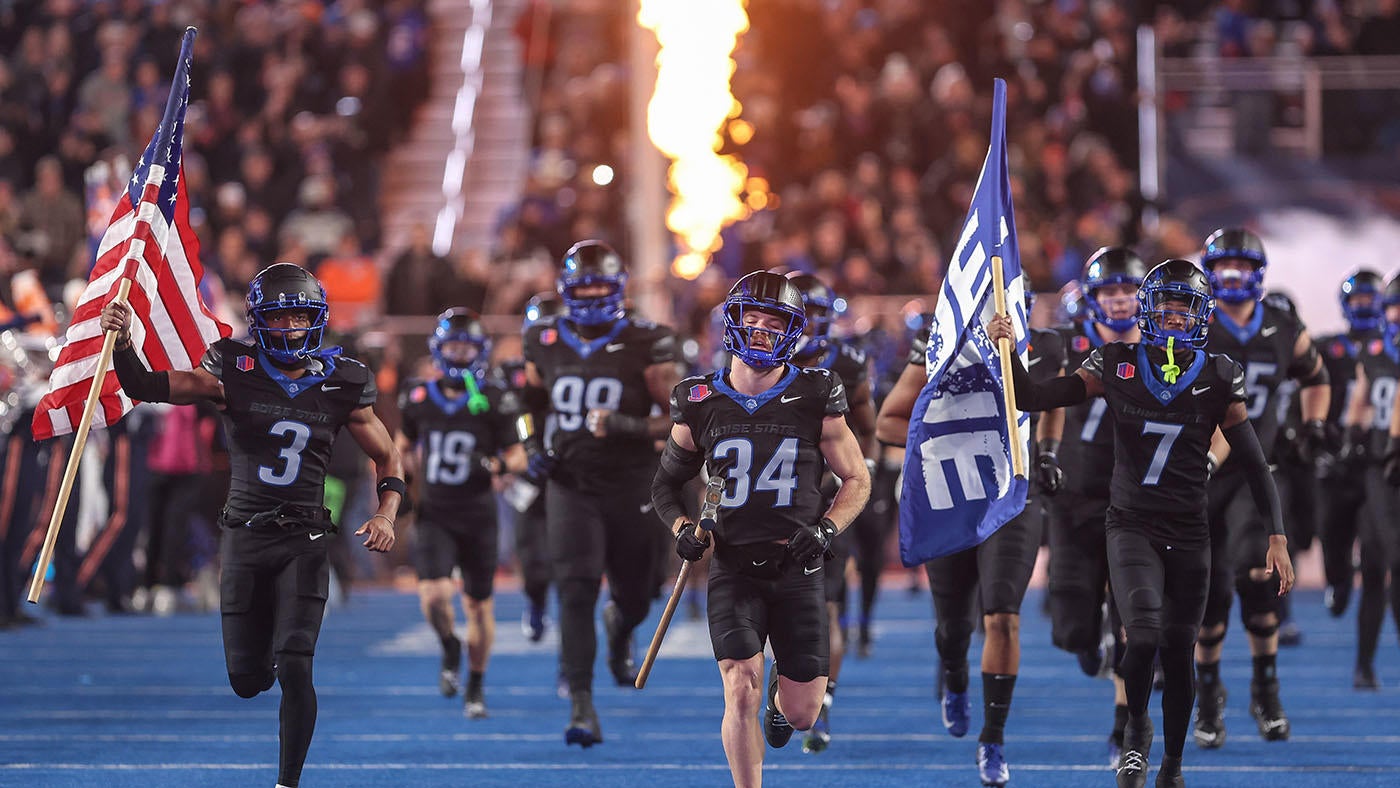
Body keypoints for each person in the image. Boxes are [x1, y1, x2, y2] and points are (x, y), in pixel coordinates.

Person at [988, 258, 1295, 788]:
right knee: (1143, 634)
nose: (1175, 319)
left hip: (1188, 532)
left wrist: (1277, 535)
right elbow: (1038, 398)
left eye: (1185, 310)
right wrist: (1009, 349)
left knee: (1179, 650)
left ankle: (1172, 765)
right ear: (1150, 311)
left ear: (1202, 315)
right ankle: (1134, 735)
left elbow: (1252, 460)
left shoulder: (1220, 374)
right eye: (1167, 308)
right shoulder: (1115, 362)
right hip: (1129, 523)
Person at [102, 262, 403, 788]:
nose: (291, 328)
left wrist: (386, 513)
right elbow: (145, 385)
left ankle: (287, 782)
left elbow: (388, 455)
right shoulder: (233, 370)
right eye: (281, 317)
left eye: (300, 317)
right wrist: (125, 341)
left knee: (296, 665)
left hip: (307, 538)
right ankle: (263, 654)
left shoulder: (343, 380)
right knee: (246, 679)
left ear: (318, 320)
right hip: (243, 534)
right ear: (259, 320)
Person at [651, 271, 870, 788]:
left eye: (776, 324)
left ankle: (784, 699)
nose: (763, 332)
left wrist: (826, 530)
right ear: (732, 322)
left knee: (802, 714)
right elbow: (665, 485)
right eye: (753, 319)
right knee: (739, 686)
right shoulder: (699, 397)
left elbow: (857, 479)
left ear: (794, 332)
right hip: (732, 565)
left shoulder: (818, 390)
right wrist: (682, 527)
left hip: (798, 565)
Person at [875, 297, 1064, 788]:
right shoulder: (941, 346)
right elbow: (888, 421)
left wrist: (1046, 450)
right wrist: (943, 436)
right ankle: (955, 675)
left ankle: (993, 738)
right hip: (954, 494)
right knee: (953, 628)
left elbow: (1050, 403)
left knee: (1002, 616)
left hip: (1015, 496)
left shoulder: (1043, 345)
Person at [519, 240, 682, 747]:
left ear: (618, 290)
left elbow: (682, 419)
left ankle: (621, 625)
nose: (590, 297)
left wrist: (625, 424)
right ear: (566, 291)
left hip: (634, 483)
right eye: (582, 288)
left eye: (599, 288)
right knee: (575, 587)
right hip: (573, 484)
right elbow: (529, 404)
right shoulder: (542, 339)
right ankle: (582, 705)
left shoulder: (648, 341)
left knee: (639, 594)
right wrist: (530, 445)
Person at [1194, 228, 1328, 749]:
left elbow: (1316, 377)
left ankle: (1265, 691)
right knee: (1205, 593)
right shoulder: (1194, 326)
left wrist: (1315, 424)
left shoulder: (1282, 326)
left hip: (1258, 470)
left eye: (1241, 267)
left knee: (1257, 574)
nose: (1232, 277)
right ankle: (1208, 699)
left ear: (1258, 274)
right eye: (1222, 267)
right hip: (1199, 470)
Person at [396, 308, 526, 717]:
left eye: (466, 347)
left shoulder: (494, 398)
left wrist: (496, 467)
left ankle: (475, 683)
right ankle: (450, 645)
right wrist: (401, 485)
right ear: (438, 349)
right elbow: (402, 446)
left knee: (478, 606)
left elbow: (520, 454)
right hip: (435, 511)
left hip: (477, 514)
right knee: (434, 597)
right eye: (452, 346)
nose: (458, 354)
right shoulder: (417, 396)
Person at [1050, 247, 1147, 766]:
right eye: (1110, 292)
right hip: (1073, 496)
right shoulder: (1064, 345)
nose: (1119, 300)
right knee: (1072, 630)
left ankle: (1124, 728)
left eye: (1128, 291)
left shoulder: (1162, 348)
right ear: (1093, 297)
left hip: (1135, 502)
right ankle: (1089, 641)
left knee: (1134, 620)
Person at [783, 272, 877, 754]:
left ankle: (822, 705)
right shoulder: (749, 359)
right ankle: (785, 698)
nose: (811, 322)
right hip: (766, 504)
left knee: (827, 608)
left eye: (817, 312)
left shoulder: (848, 364)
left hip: (823, 500)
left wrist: (856, 479)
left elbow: (869, 429)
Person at [1314, 271, 1382, 621]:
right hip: (1336, 450)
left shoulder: (1391, 348)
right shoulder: (1327, 347)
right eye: (1358, 300)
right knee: (1332, 532)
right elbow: (1307, 390)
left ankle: (1369, 574)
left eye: (1370, 299)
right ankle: (1339, 578)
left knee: (1376, 537)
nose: (1364, 306)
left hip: (1377, 453)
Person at [1344, 273, 1400, 690]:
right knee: (1380, 564)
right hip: (1379, 468)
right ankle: (1364, 664)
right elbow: (1359, 405)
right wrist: (1352, 437)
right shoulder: (1375, 352)